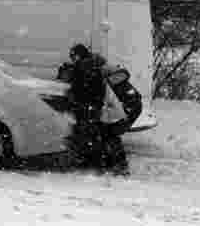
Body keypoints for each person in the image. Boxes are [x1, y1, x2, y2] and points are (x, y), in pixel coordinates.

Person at [58, 43, 141, 175]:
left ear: (77, 56)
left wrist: (78, 102)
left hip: (121, 107)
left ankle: (113, 166)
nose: (72, 59)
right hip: (131, 104)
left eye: (73, 57)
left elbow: (89, 93)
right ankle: (110, 164)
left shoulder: (85, 68)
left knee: (104, 133)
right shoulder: (95, 64)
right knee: (103, 133)